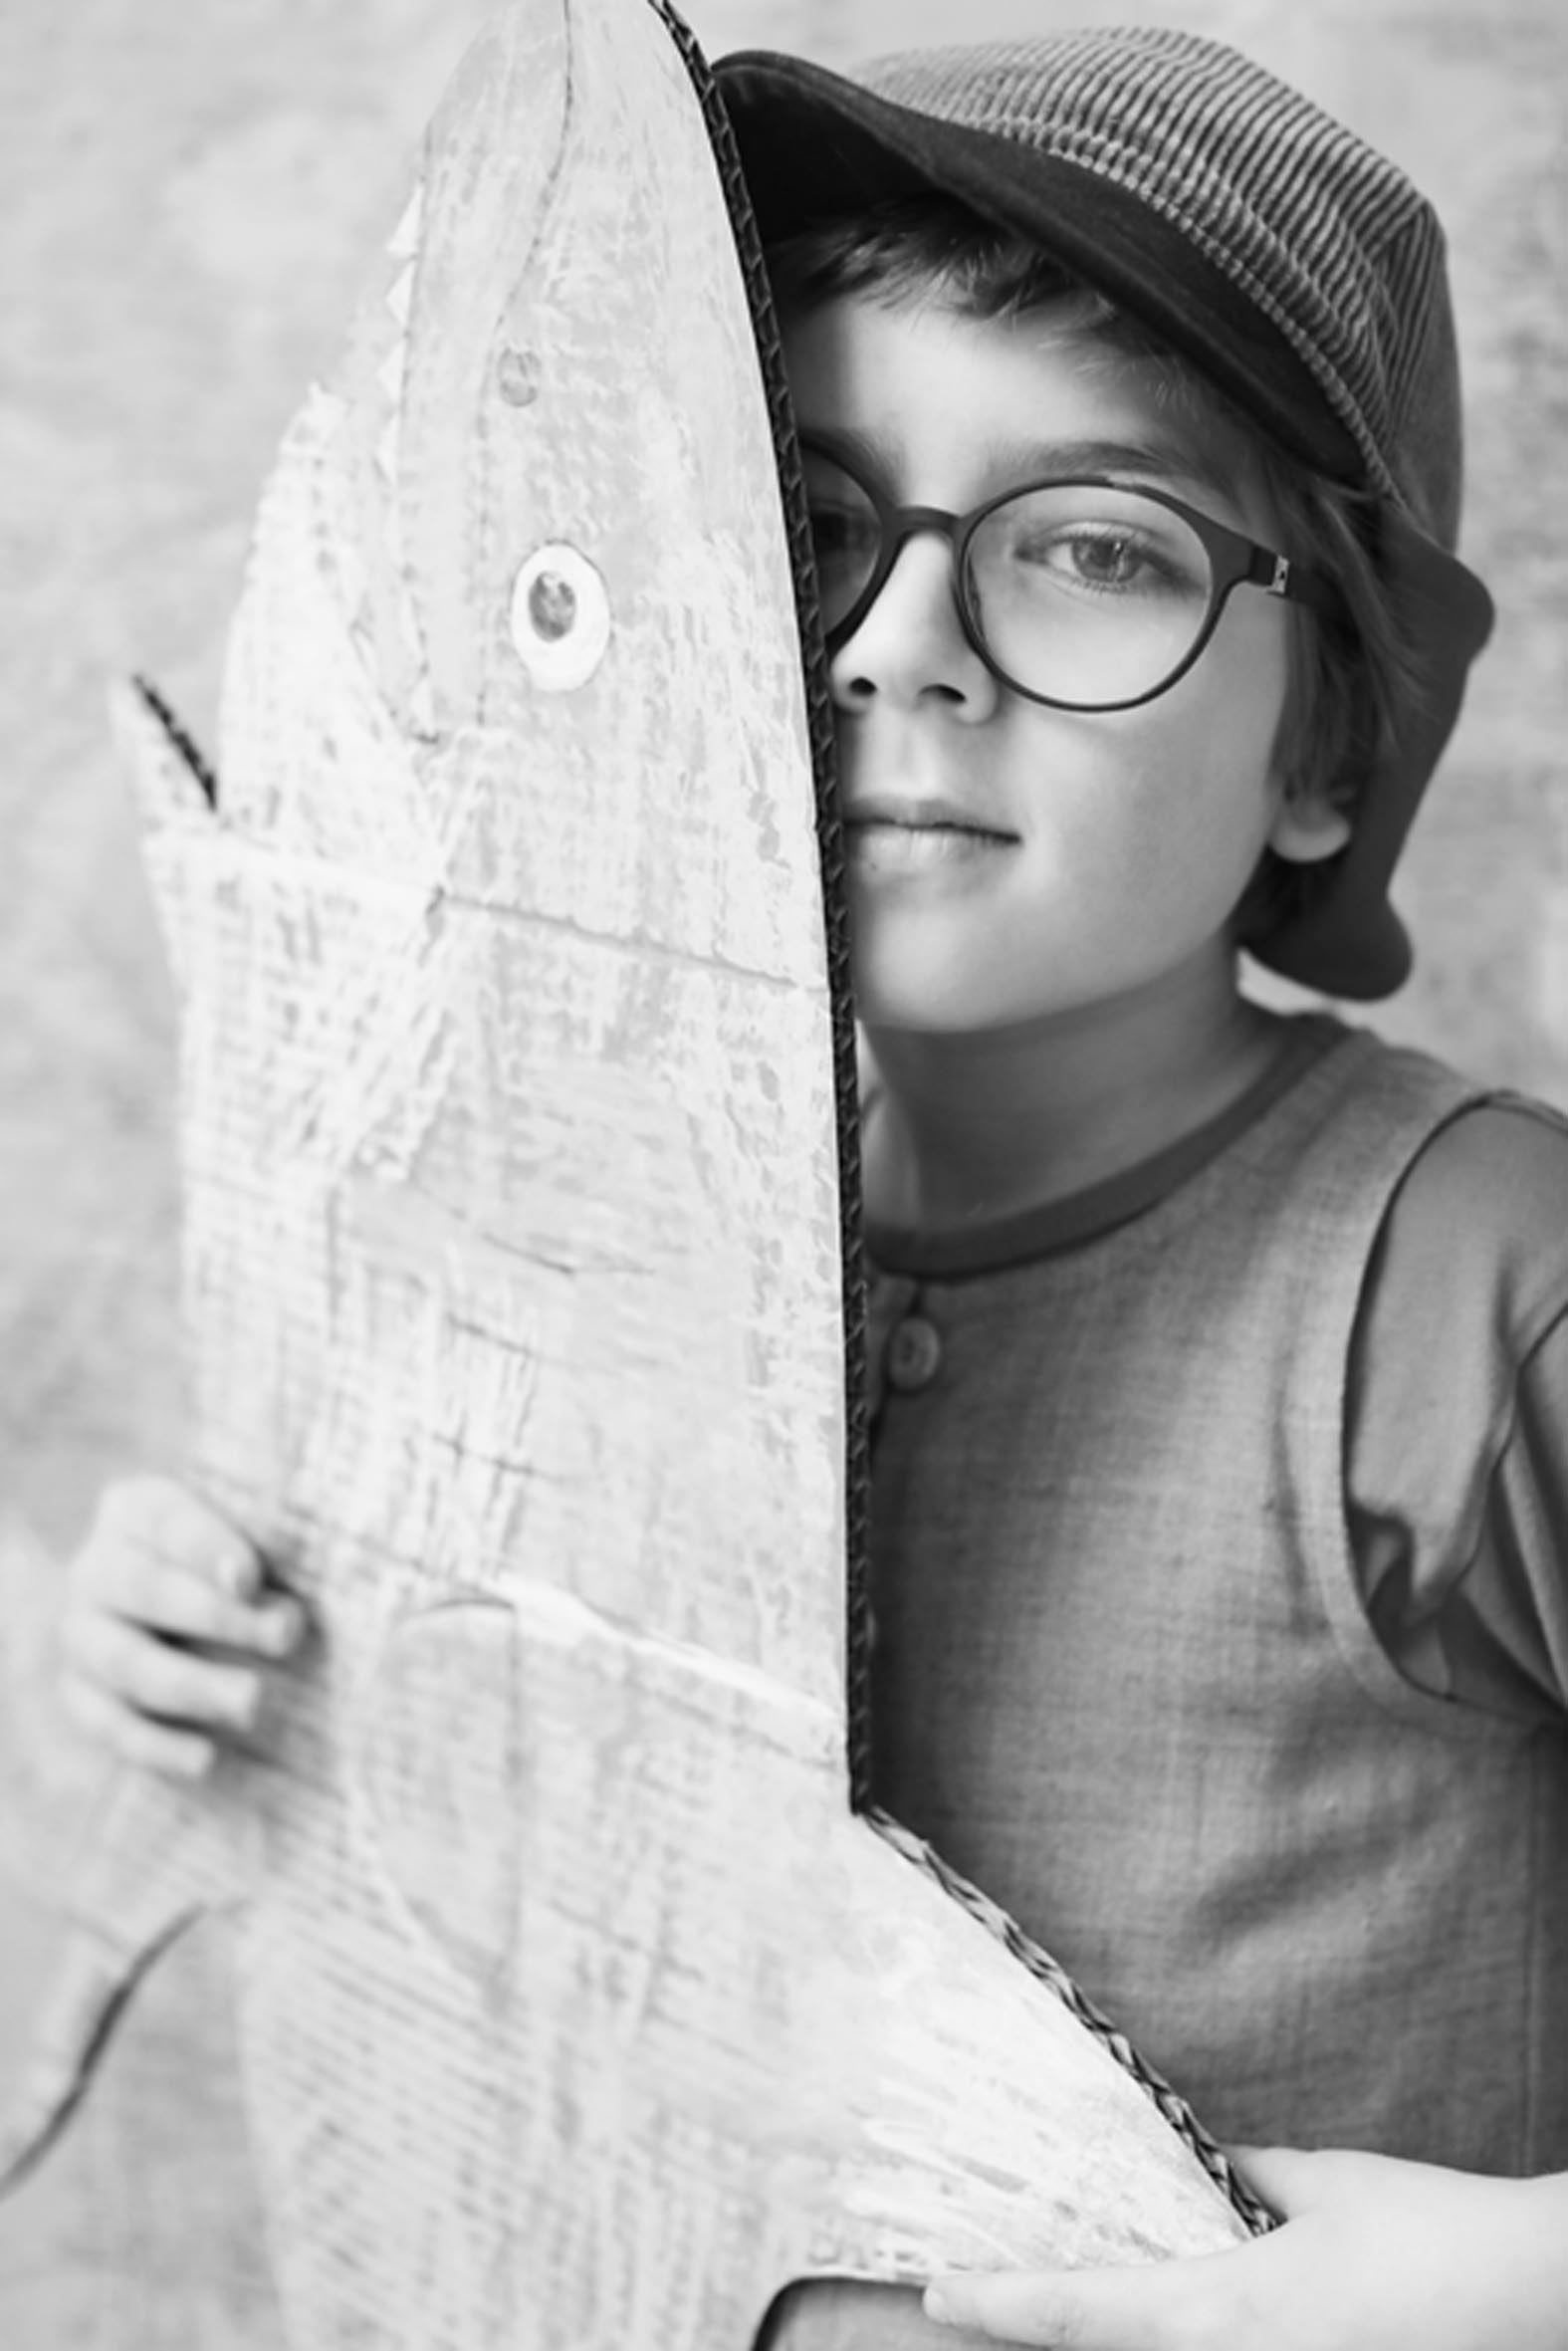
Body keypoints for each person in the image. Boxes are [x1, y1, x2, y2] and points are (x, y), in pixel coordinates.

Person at [58, 25, 1568, 2351]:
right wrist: (228, 1656)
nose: (892, 648)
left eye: (1093, 547)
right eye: (807, 525)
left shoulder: (1468, 1297)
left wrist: (1508, 2285)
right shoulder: (572, 1239)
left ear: (1325, 744)